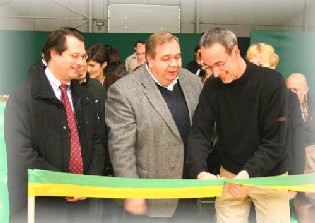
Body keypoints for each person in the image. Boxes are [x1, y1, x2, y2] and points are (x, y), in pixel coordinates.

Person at [186, 27, 290, 223]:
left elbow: (275, 142)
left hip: (271, 176)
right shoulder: (212, 86)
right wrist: (199, 170)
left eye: (219, 64)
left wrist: (248, 173)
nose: (215, 73)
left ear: (235, 51)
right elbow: (200, 132)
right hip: (230, 174)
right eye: (209, 67)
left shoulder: (272, 83)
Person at [4, 27, 105, 223]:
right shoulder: (24, 96)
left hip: (81, 204)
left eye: (83, 56)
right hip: (39, 205)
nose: (80, 63)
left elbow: (98, 141)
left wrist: (86, 184)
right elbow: (21, 153)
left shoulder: (86, 95)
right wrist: (65, 184)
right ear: (53, 54)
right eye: (74, 56)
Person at [105, 32, 202, 223]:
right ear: (149, 59)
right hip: (149, 200)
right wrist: (132, 191)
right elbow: (121, 148)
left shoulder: (192, 82)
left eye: (177, 57)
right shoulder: (124, 91)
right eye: (166, 58)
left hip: (189, 193)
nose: (174, 64)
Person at [286, 73, 315, 223]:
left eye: (296, 90)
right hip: (292, 153)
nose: (292, 94)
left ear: (306, 89)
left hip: (311, 151)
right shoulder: (281, 105)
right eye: (288, 90)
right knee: (302, 202)